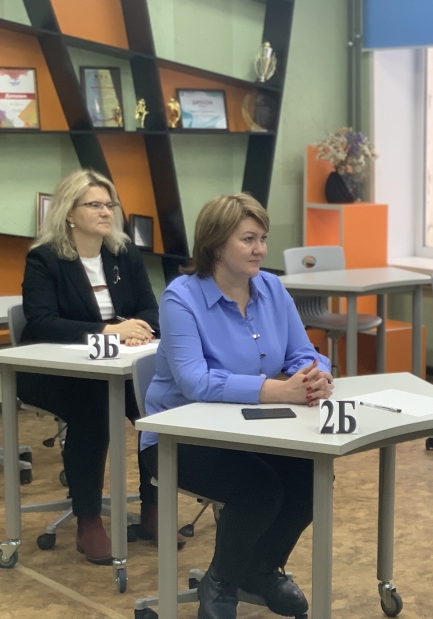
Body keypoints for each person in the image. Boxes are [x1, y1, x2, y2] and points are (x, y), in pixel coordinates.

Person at [139, 193, 333, 619]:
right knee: (259, 490)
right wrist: (277, 391)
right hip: (177, 438)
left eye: (263, 238)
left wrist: (314, 374)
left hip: (252, 429)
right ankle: (223, 579)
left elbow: (304, 353)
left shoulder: (272, 287)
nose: (260, 249)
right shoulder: (181, 298)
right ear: (215, 245)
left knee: (313, 478)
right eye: (248, 239)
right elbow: (194, 380)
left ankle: (259, 569)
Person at [18, 169, 165, 565]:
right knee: (93, 411)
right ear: (69, 212)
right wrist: (108, 330)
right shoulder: (45, 259)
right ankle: (88, 521)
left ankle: (154, 508)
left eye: (109, 204)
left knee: (157, 404)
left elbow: (150, 308)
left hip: (119, 366)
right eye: (95, 204)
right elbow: (41, 321)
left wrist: (139, 329)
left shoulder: (123, 253)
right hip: (55, 372)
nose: (106, 212)